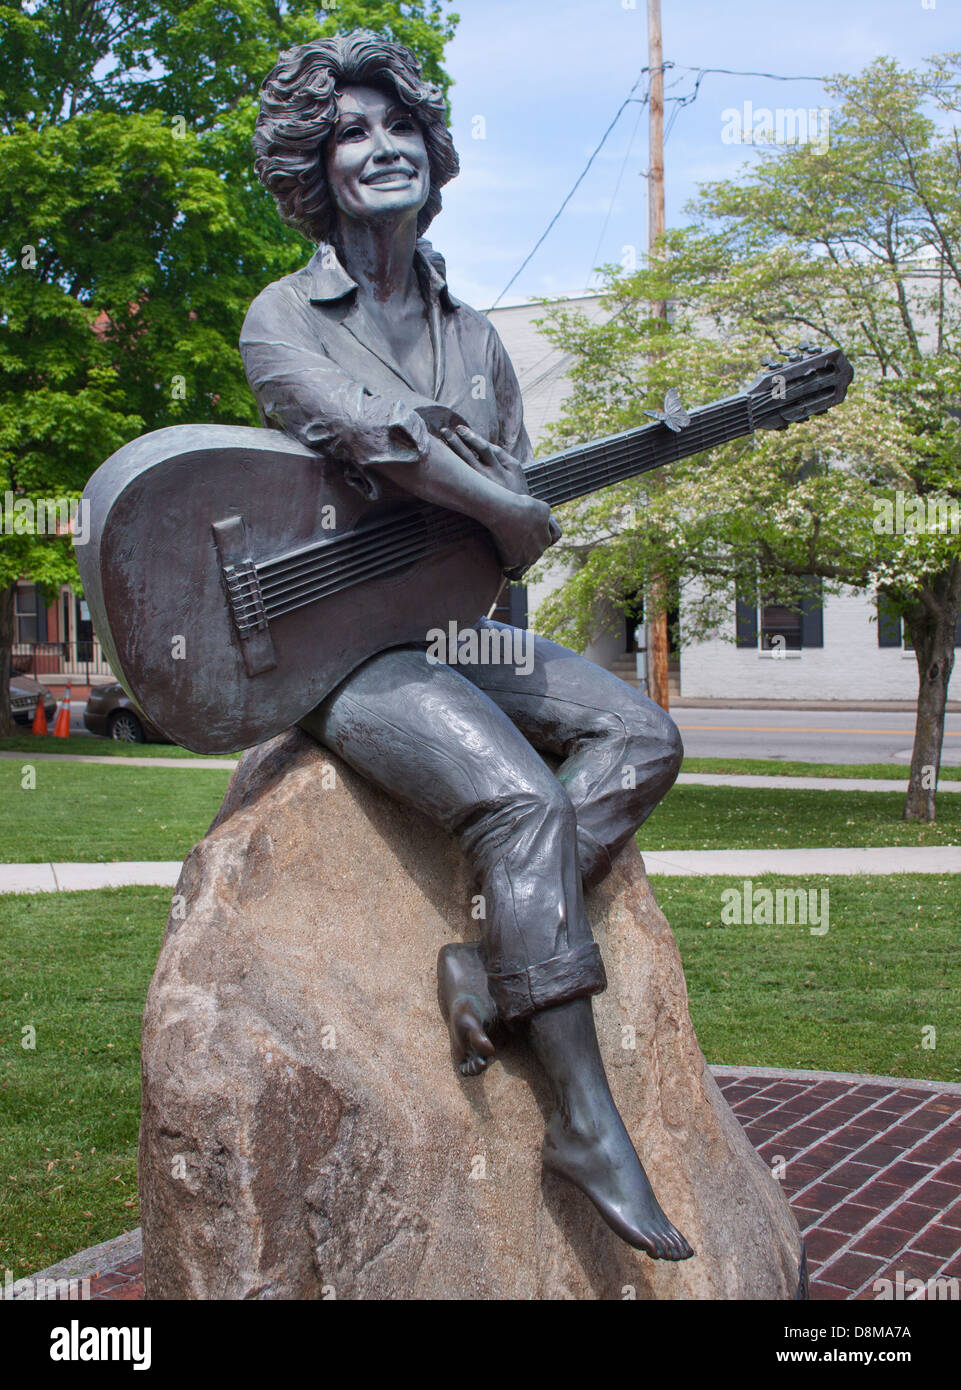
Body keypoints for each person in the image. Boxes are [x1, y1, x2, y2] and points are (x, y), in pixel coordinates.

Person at [240, 30, 692, 1262]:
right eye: (348, 133)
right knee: (520, 803)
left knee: (642, 735)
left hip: (456, 631)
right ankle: (586, 1123)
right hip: (341, 650)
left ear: (433, 157)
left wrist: (509, 524)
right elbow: (376, 439)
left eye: (398, 129)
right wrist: (497, 504)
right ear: (313, 171)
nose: (379, 149)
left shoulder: (478, 338)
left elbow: (502, 535)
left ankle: (494, 970)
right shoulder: (286, 316)